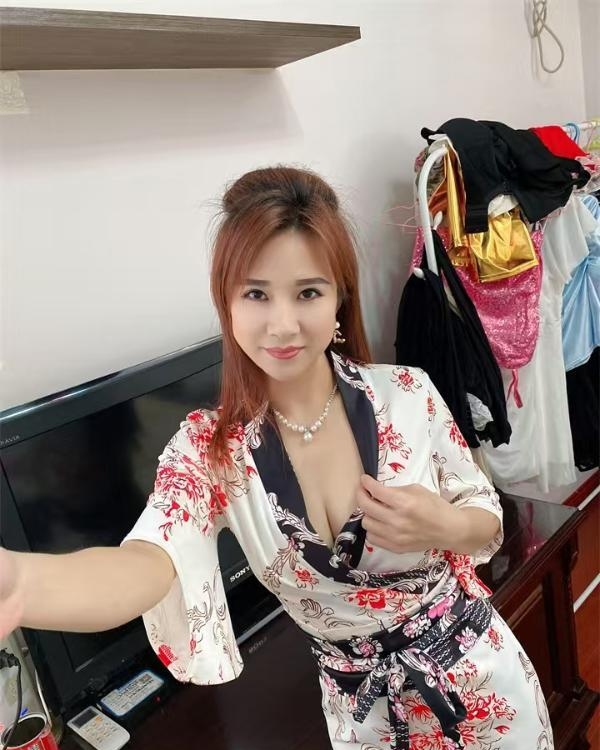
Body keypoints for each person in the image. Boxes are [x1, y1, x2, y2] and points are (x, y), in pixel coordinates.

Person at [0, 166, 553, 749]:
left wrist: (445, 524)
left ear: (339, 297)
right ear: (227, 302)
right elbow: (145, 565)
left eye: (308, 292)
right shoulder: (209, 451)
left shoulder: (408, 395)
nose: (282, 325)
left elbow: (484, 515)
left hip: (482, 687)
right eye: (256, 294)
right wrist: (23, 584)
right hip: (365, 719)